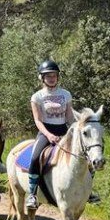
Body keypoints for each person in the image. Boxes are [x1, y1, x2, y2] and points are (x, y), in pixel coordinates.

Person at [26, 60, 74, 210]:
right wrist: (49, 135)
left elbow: (70, 117)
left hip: (63, 130)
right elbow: (38, 120)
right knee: (34, 158)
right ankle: (32, 194)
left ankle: (88, 190)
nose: (51, 78)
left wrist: (73, 131)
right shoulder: (37, 97)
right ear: (42, 78)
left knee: (84, 154)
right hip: (46, 131)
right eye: (48, 76)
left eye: (54, 75)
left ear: (58, 77)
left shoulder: (66, 94)